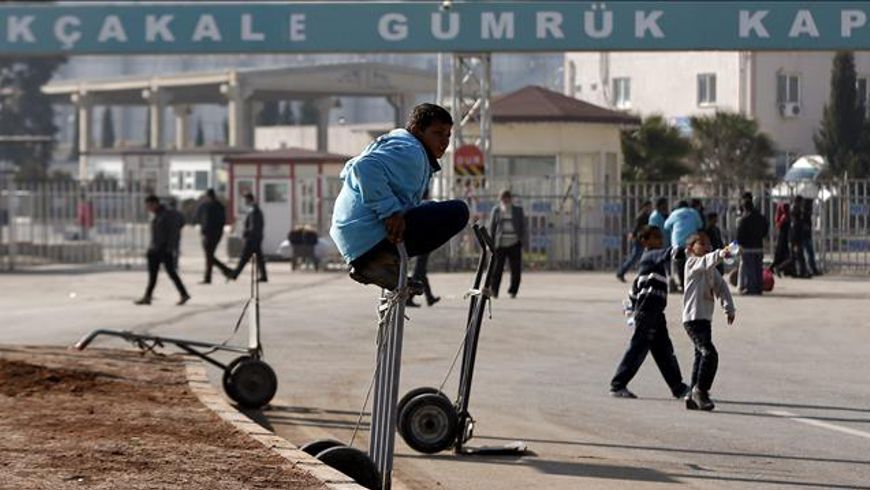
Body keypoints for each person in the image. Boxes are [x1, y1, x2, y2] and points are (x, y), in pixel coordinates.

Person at [330, 103, 469, 290]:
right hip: (368, 236)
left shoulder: (397, 143)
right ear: (417, 130)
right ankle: (380, 262)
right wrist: (390, 211)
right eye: (437, 133)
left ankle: (382, 264)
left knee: (431, 207)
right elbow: (362, 168)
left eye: (447, 135)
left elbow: (349, 169)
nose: (444, 141)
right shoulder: (411, 151)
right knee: (458, 211)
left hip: (353, 237)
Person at [610, 226, 690, 400]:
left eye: (660, 238)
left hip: (656, 313)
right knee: (637, 350)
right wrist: (689, 247)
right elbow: (671, 252)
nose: (659, 241)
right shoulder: (650, 256)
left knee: (664, 351)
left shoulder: (653, 264)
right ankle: (618, 385)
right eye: (654, 238)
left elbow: (636, 287)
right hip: (647, 313)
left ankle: (678, 387)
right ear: (644, 242)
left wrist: (630, 304)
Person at [681, 232, 736, 411]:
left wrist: (729, 308)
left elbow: (722, 288)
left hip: (705, 318)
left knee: (700, 355)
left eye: (708, 244)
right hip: (693, 318)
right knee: (709, 354)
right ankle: (701, 391)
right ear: (690, 248)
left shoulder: (711, 270)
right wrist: (720, 253)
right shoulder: (692, 263)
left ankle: (692, 395)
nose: (706, 247)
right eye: (701, 244)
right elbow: (705, 261)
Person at [135, 195, 190, 306]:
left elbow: (173, 231)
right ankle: (148, 296)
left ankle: (183, 294)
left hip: (163, 249)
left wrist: (170, 247)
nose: (148, 208)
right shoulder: (159, 215)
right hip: (156, 249)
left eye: (149, 206)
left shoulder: (167, 215)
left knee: (171, 273)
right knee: (155, 275)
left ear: (155, 203)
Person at [489, 189, 526, 299]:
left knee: (515, 269)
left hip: (514, 243)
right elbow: (492, 228)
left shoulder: (518, 210)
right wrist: (490, 244)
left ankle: (513, 290)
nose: (505, 200)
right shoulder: (496, 210)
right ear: (500, 199)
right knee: (497, 269)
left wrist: (522, 241)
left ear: (510, 199)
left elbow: (523, 226)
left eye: (507, 198)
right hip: (500, 244)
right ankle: (494, 290)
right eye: (503, 198)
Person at [663, 200, 703, 293]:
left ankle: (682, 284)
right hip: (692, 242)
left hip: (678, 242)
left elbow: (666, 226)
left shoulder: (674, 213)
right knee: (693, 264)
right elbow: (700, 225)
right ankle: (693, 284)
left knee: (679, 264)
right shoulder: (694, 212)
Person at [227, 192, 267, 282]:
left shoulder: (254, 210)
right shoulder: (254, 209)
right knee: (259, 259)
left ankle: (235, 274)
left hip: (252, 239)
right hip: (256, 238)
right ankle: (263, 276)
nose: (244, 201)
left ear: (249, 199)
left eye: (245, 199)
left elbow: (253, 226)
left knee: (244, 258)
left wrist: (246, 233)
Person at [194, 189, 230, 284]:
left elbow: (198, 218)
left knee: (209, 256)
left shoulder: (205, 206)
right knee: (209, 256)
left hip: (208, 234)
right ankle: (225, 271)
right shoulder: (219, 206)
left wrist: (203, 230)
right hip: (216, 234)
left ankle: (224, 272)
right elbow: (223, 220)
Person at [736, 194, 767, 294]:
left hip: (748, 248)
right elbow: (765, 229)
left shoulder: (744, 219)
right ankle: (759, 287)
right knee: (758, 268)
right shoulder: (761, 217)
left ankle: (752, 288)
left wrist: (740, 244)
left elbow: (740, 234)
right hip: (758, 246)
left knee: (750, 269)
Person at [616, 200, 653, 283]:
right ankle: (621, 272)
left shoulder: (646, 215)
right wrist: (633, 235)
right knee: (634, 258)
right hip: (639, 239)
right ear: (645, 207)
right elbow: (636, 227)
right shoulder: (642, 216)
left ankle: (644, 275)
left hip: (643, 239)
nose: (651, 208)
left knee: (641, 258)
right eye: (649, 206)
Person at [789, 196, 810, 278]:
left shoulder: (796, 212)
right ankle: (801, 272)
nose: (802, 204)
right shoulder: (796, 212)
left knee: (796, 256)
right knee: (798, 256)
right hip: (796, 238)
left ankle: (800, 272)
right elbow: (795, 227)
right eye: (801, 202)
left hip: (797, 237)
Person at [770, 202, 793, 277]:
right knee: (784, 256)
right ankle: (777, 268)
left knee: (781, 256)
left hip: (783, 238)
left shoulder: (783, 217)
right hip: (784, 238)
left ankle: (785, 270)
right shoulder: (784, 217)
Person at [801, 198, 821, 275]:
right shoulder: (804, 214)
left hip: (807, 236)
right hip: (804, 237)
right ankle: (809, 269)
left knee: (809, 254)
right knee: (807, 254)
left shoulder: (806, 214)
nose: (811, 209)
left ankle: (811, 269)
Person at [166, 198, 185, 270]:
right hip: (176, 234)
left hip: (168, 235)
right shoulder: (179, 214)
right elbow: (183, 223)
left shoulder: (166, 213)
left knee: (168, 250)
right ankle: (175, 264)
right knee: (176, 250)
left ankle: (170, 264)